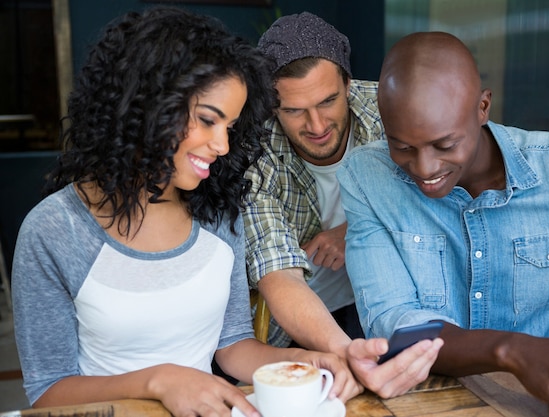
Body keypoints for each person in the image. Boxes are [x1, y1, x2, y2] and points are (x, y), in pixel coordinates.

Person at [10, 7, 355, 417]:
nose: (223, 146)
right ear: (146, 108)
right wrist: (160, 381)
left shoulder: (216, 209)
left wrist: (302, 362)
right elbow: (48, 390)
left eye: (229, 127)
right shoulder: (53, 231)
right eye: (208, 120)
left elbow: (232, 346)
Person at [337, 30, 549, 416]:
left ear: (483, 107)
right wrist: (512, 351)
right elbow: (396, 327)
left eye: (445, 145)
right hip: (429, 404)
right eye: (402, 146)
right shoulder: (366, 176)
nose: (425, 169)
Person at [243, 12, 443, 398]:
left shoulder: (390, 108)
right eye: (294, 110)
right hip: (301, 319)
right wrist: (341, 349)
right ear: (271, 107)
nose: (316, 125)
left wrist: (355, 229)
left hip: (395, 299)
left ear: (349, 85)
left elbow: (445, 184)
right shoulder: (255, 152)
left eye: (328, 101)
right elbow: (277, 272)